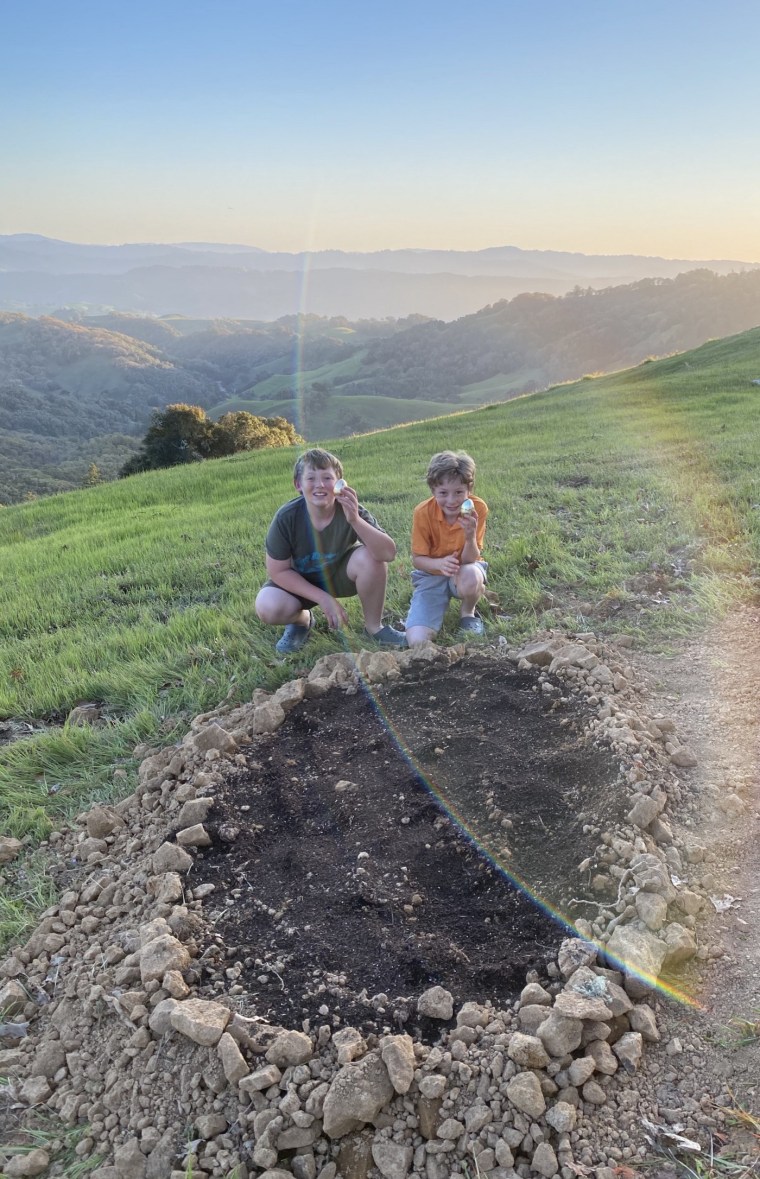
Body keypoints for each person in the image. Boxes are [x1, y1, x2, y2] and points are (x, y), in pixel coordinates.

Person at [255, 448, 407, 655]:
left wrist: (355, 520)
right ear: (298, 485)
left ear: (339, 484)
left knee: (370, 557)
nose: (320, 485)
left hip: (337, 576)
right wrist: (323, 599)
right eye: (311, 478)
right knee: (267, 606)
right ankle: (302, 621)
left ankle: (374, 628)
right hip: (300, 583)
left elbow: (387, 554)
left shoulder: (352, 509)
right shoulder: (286, 517)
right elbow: (278, 571)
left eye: (327, 477)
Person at [404, 450, 488, 646]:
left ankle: (468, 612)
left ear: (469, 489)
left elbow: (470, 559)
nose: (451, 501)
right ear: (433, 490)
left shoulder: (478, 509)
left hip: (464, 569)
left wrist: (469, 537)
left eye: (459, 492)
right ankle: (426, 614)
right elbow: (418, 560)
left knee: (471, 577)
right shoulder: (422, 513)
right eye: (443, 493)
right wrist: (439, 564)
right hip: (431, 575)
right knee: (416, 641)